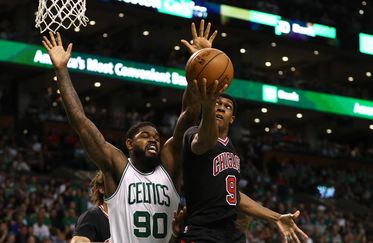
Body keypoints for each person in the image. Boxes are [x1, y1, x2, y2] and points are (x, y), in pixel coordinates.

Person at [41, 30, 222, 243]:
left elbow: (189, 115)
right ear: (129, 143)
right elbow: (80, 122)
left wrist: (198, 63)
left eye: (156, 136)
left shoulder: (170, 166)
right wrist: (61, 70)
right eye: (145, 135)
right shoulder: (117, 166)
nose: (153, 139)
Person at [179, 21, 309, 243]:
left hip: (230, 232)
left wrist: (275, 216)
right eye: (217, 103)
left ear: (233, 118)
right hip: (202, 232)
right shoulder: (193, 134)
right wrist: (203, 59)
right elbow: (205, 141)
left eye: (227, 107)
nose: (221, 107)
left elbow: (234, 196)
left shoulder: (233, 150)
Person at [71, 170, 110, 243]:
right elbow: (77, 242)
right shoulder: (91, 216)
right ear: (102, 189)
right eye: (115, 183)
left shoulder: (128, 217)